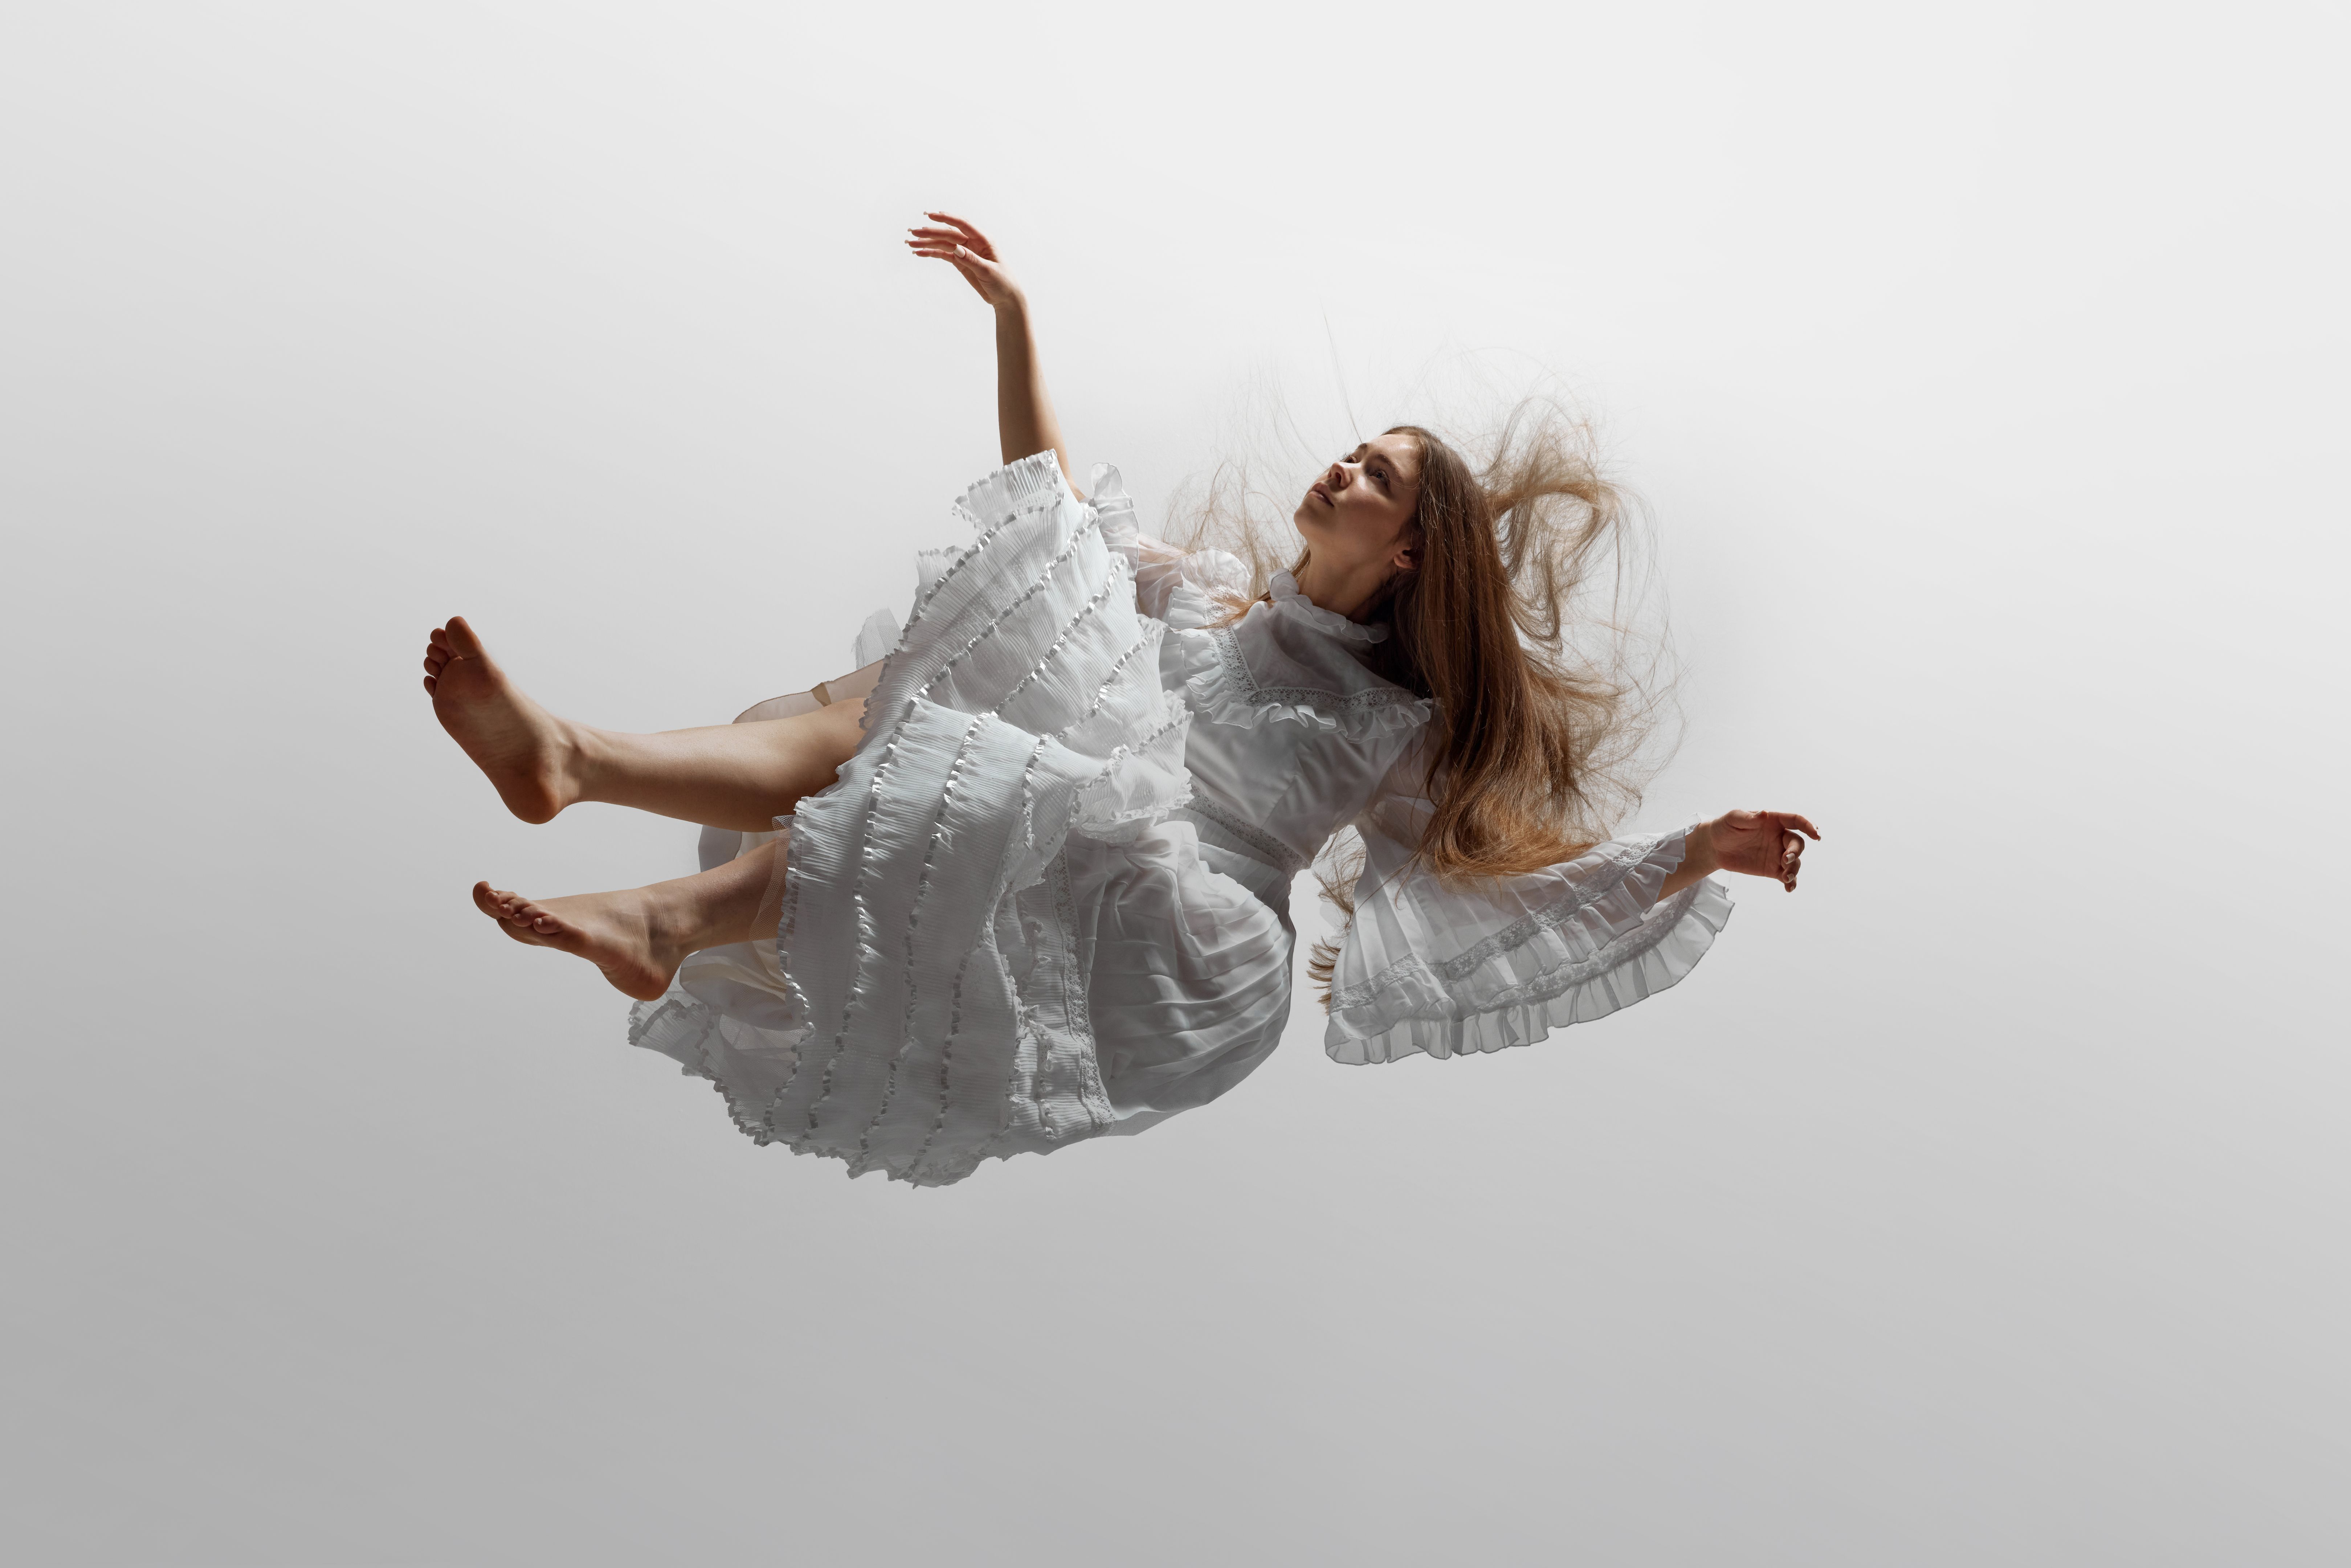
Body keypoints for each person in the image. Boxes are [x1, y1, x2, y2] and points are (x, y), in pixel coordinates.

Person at [421, 213, 1820, 1187]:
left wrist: (1693, 854)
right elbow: (1054, 514)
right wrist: (1015, 320)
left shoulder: (1400, 727)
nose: (1340, 469)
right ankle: (575, 763)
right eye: (1349, 452)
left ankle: (658, 898)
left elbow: (1498, 901)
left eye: (1375, 476)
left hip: (1188, 952)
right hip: (1069, 841)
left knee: (1012, 745)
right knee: (918, 689)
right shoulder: (1202, 595)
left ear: (1407, 556)